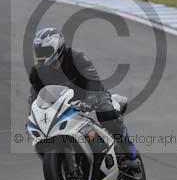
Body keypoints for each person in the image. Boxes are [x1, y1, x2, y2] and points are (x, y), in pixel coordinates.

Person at [28, 27, 138, 169]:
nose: (42, 56)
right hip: (64, 106)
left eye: (45, 51)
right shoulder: (38, 72)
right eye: (39, 52)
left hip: (92, 96)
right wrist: (34, 117)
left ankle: (129, 150)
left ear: (56, 46)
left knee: (105, 113)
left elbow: (93, 80)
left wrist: (91, 99)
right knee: (43, 139)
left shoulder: (76, 57)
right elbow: (35, 98)